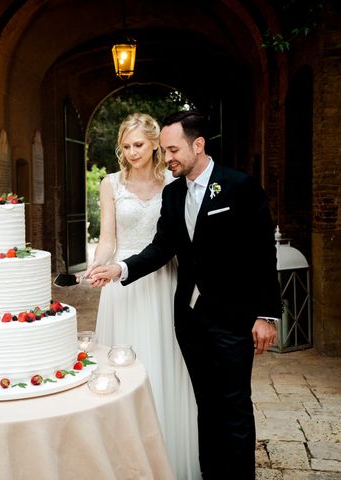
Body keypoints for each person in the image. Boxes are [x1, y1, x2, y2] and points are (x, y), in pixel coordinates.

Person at [89, 110, 282, 479]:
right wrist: (120, 269)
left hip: (232, 320)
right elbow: (161, 248)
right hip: (190, 323)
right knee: (205, 408)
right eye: (165, 150)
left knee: (235, 409)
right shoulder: (174, 193)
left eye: (173, 149)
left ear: (198, 145)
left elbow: (262, 254)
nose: (169, 157)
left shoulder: (239, 185)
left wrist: (266, 315)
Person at [84, 112, 201, 479]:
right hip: (122, 287)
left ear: (154, 144)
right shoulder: (110, 185)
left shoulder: (174, 181)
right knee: (122, 368)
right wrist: (99, 266)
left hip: (164, 282)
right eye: (126, 146)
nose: (132, 152)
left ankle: (168, 454)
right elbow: (108, 241)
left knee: (162, 363)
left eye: (138, 145)